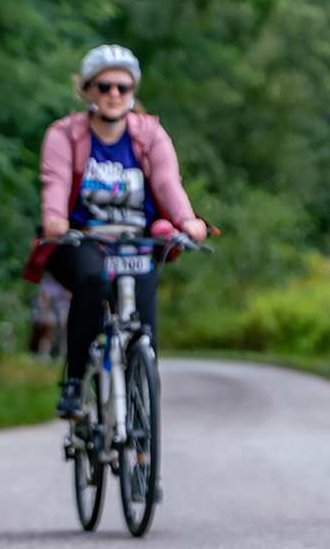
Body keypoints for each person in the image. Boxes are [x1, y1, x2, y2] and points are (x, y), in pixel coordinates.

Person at [23, 44, 208, 420]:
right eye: (104, 86)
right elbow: (56, 182)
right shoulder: (65, 135)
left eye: (123, 87)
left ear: (133, 91)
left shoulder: (150, 134)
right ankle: (75, 383)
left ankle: (141, 422)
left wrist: (188, 220)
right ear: (87, 90)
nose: (114, 94)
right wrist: (55, 218)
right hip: (82, 239)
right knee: (92, 280)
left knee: (145, 329)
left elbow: (167, 182)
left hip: (136, 241)